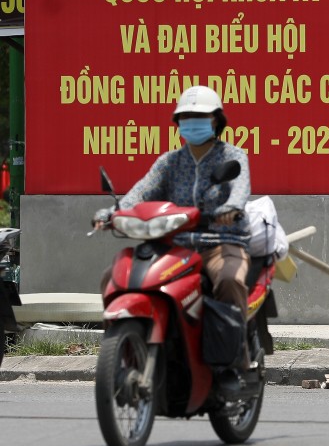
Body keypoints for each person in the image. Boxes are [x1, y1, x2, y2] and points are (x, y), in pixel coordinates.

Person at [95, 85, 252, 368]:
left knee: (230, 281)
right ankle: (124, 349)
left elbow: (239, 190)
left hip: (219, 243)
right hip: (174, 247)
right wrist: (112, 213)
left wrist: (230, 209)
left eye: (199, 115)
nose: (191, 121)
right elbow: (140, 192)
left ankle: (234, 363)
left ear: (215, 120)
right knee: (113, 277)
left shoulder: (233, 156)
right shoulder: (169, 162)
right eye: (185, 116)